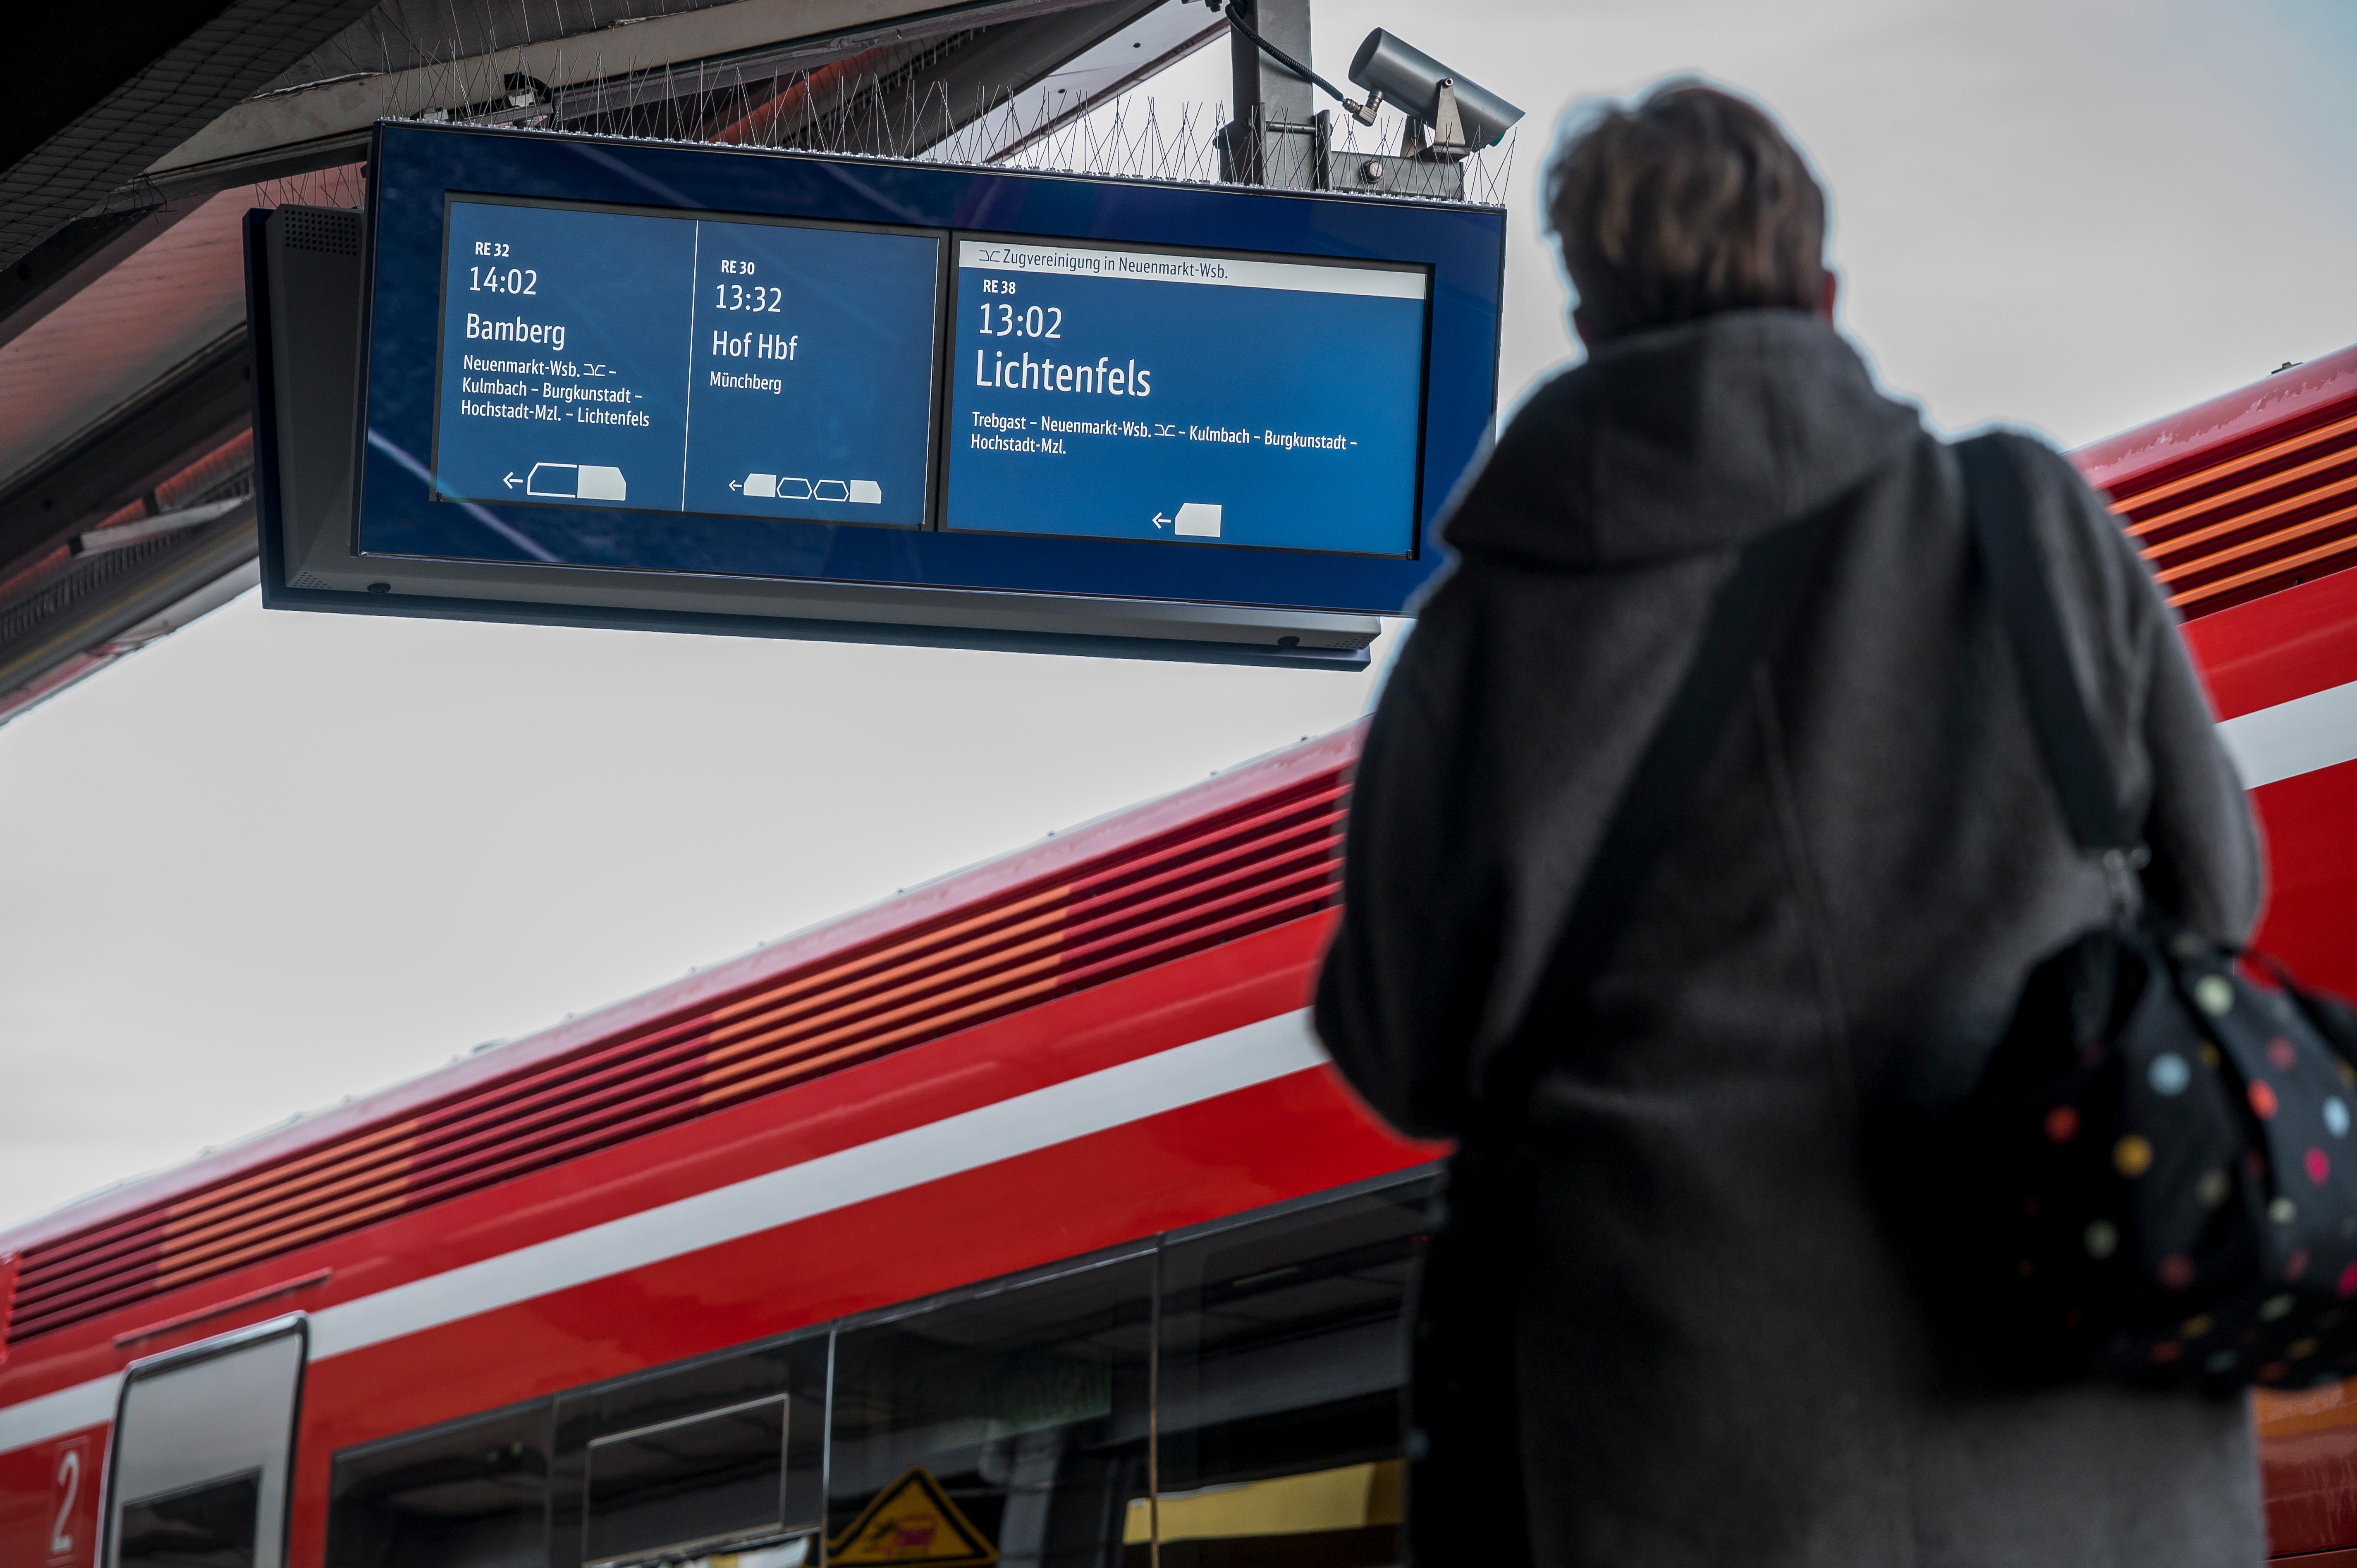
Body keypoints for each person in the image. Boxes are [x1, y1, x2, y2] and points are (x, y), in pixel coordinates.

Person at [1313, 80, 2265, 1567]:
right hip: (2084, 1434)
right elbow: (2217, 893)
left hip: (1686, 1450)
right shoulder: (2024, 522)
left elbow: (1407, 1057)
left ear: (1591, 320)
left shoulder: (1481, 641)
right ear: (1821, 291)